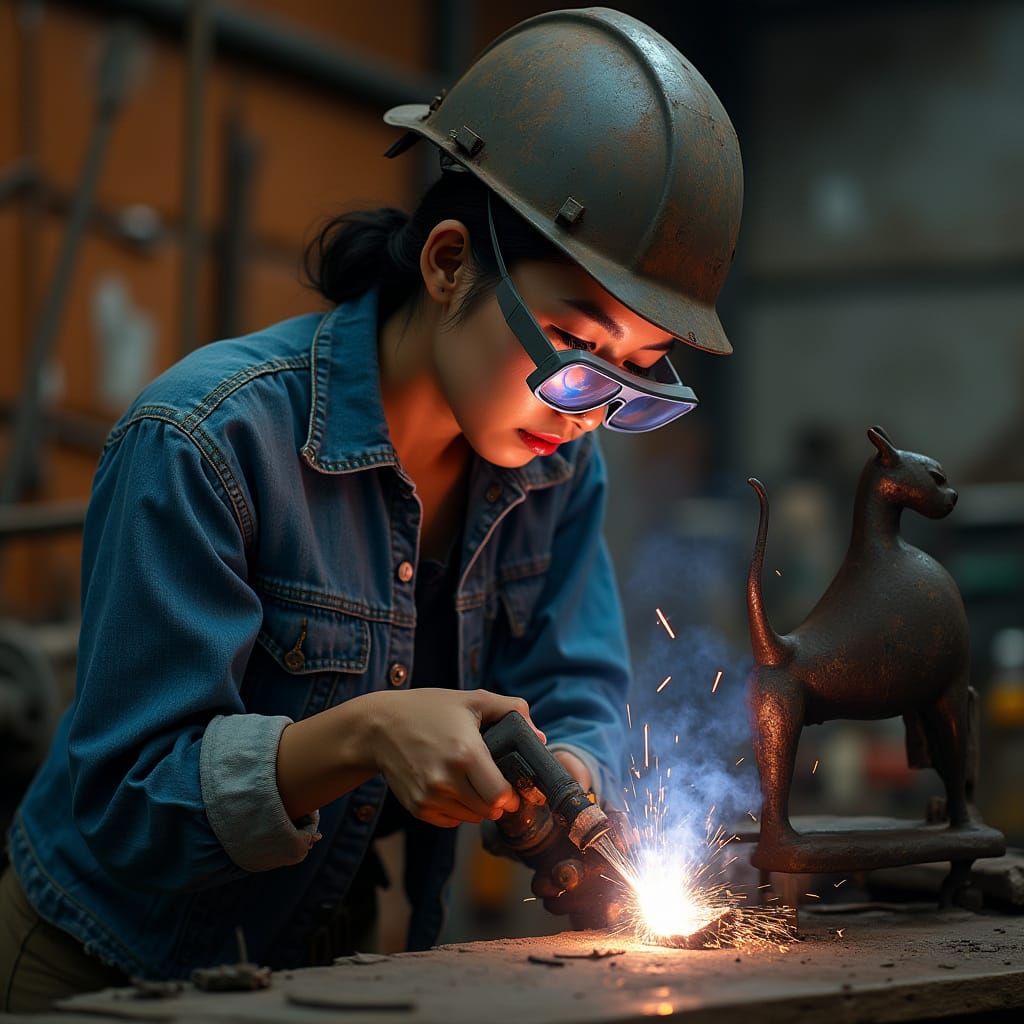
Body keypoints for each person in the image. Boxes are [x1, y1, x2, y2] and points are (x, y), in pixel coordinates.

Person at [0, 7, 742, 1010]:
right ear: (447, 264)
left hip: (311, 966)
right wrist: (358, 736)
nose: (588, 414)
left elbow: (572, 683)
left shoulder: (557, 466)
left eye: (635, 380)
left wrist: (565, 769)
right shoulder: (206, 441)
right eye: (575, 352)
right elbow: (130, 801)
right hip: (100, 963)